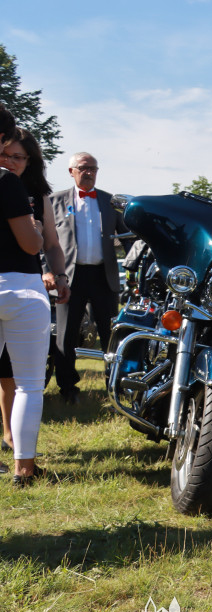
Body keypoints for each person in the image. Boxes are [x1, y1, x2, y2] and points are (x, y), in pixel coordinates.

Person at [0, 107, 69, 485]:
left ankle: (20, 461)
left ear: (30, 160)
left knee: (21, 380)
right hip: (21, 288)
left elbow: (53, 245)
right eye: (6, 153)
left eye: (18, 157)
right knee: (27, 382)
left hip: (28, 286)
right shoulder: (6, 184)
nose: (11, 161)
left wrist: (58, 273)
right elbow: (36, 243)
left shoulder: (35, 191)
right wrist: (36, 234)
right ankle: (22, 467)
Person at [49, 152, 125, 405]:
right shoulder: (54, 201)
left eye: (93, 168)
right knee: (66, 336)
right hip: (69, 277)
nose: (89, 172)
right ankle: (68, 389)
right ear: (71, 171)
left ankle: (114, 388)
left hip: (104, 277)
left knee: (111, 336)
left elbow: (128, 238)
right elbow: (43, 243)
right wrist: (48, 272)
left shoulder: (110, 201)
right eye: (83, 168)